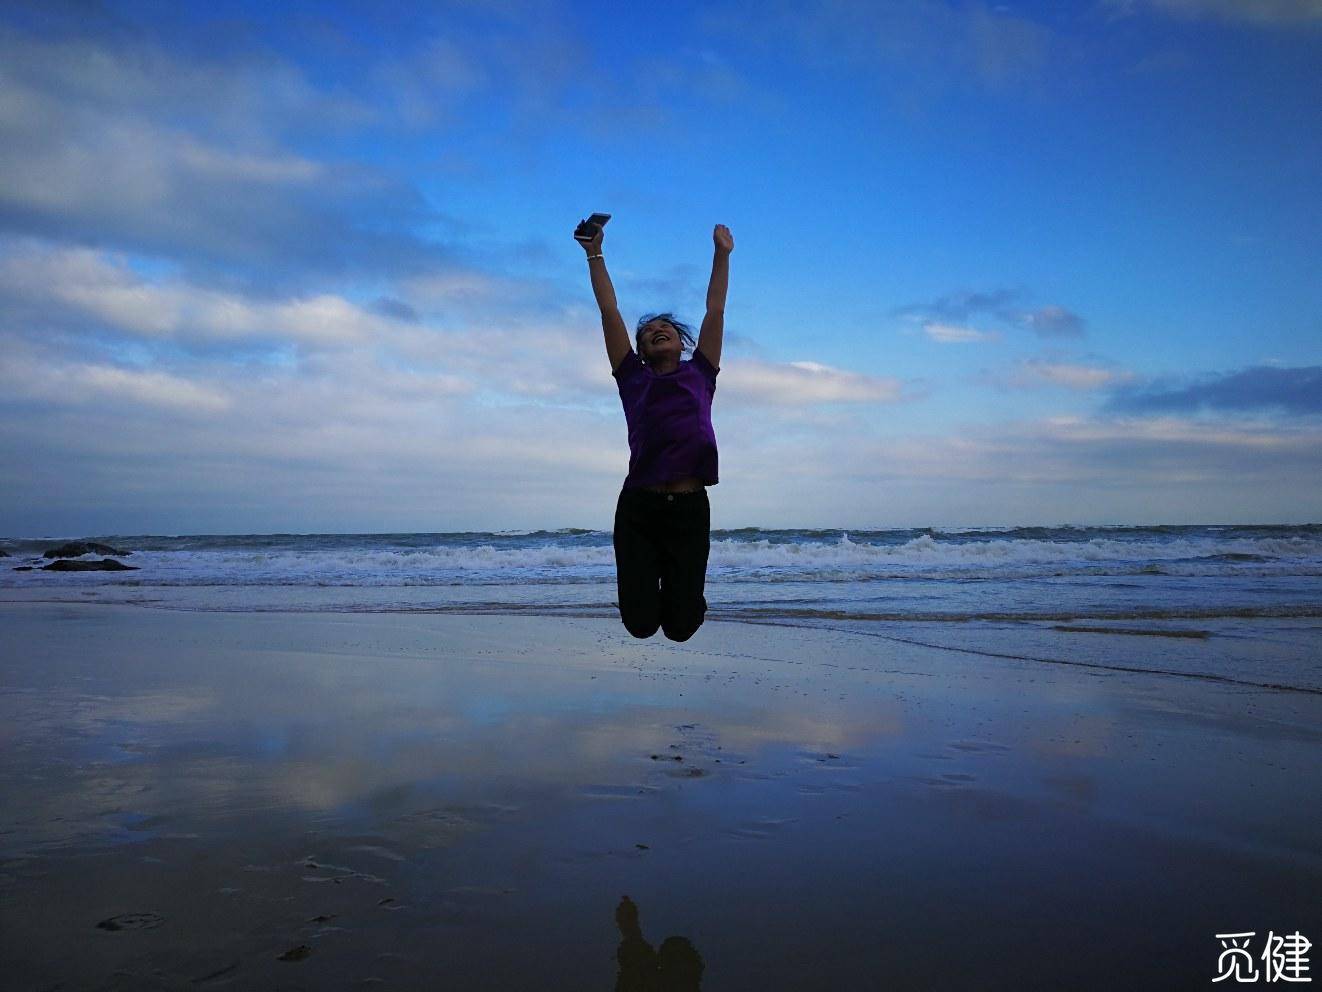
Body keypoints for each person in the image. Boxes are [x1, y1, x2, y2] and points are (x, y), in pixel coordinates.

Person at [577, 218, 733, 641]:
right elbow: (609, 311)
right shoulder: (632, 378)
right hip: (639, 510)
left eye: (663, 328)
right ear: (641, 351)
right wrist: (594, 253)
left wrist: (722, 254)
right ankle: (646, 587)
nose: (656, 331)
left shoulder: (701, 372)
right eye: (647, 333)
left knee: (682, 628)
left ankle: (682, 592)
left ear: (680, 342)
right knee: (641, 625)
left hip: (688, 510)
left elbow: (715, 310)